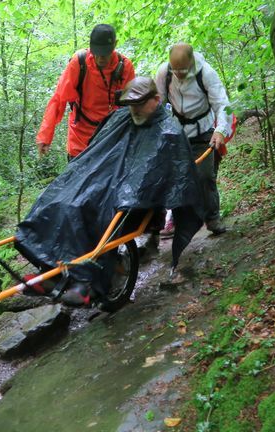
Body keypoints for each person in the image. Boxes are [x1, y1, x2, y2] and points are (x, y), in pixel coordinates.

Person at [16, 77, 204, 306]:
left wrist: (125, 191)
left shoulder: (169, 132)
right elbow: (94, 153)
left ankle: (87, 283)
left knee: (89, 209)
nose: (134, 109)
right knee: (57, 201)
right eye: (130, 104)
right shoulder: (120, 118)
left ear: (156, 100)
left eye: (139, 104)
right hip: (104, 184)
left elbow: (163, 179)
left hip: (133, 199)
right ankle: (48, 269)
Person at [156, 43, 237, 236]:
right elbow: (158, 102)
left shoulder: (206, 73)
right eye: (175, 70)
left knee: (205, 176)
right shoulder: (164, 73)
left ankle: (212, 218)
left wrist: (220, 130)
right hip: (177, 132)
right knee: (177, 177)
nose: (179, 74)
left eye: (183, 70)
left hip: (205, 131)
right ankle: (177, 220)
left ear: (191, 62)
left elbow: (223, 104)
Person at [36, 24, 135, 159]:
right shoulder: (79, 62)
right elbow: (59, 98)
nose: (100, 58)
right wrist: (45, 136)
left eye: (104, 53)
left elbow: (131, 107)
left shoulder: (124, 67)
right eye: (97, 52)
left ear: (115, 45)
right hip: (80, 138)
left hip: (111, 137)